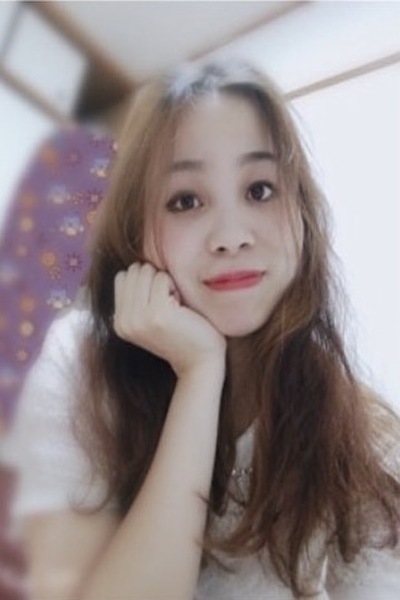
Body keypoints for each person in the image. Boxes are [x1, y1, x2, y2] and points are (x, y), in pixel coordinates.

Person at [2, 59, 400, 600]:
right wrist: (199, 372)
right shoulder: (76, 364)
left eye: (260, 190)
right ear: (135, 233)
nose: (231, 236)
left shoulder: (363, 439)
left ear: (303, 216)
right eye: (185, 200)